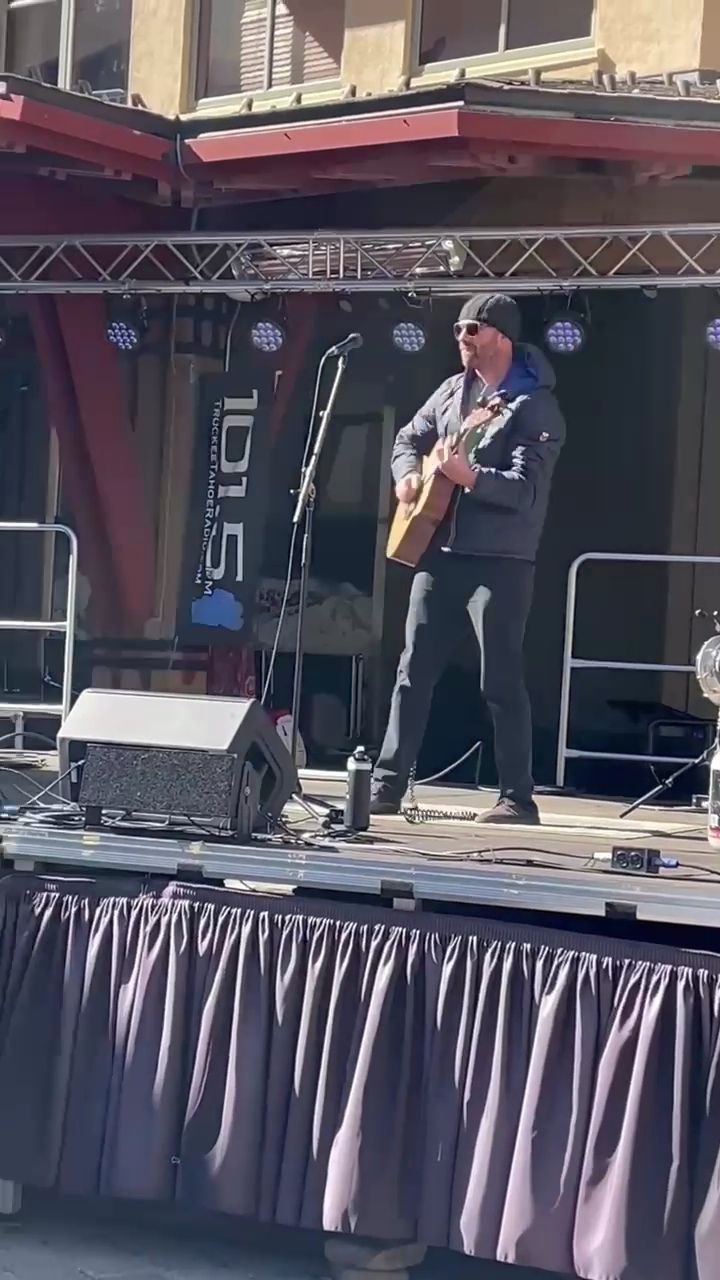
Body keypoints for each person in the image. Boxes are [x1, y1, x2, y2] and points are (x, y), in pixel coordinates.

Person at [371, 294, 566, 824]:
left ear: (501, 337)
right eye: (458, 328)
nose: (461, 337)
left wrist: (470, 478)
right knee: (412, 670)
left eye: (472, 329)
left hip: (501, 561)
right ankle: (386, 786)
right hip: (440, 553)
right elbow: (407, 439)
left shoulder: (533, 405)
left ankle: (517, 799)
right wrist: (407, 477)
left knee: (500, 680)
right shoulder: (451, 391)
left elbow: (526, 491)